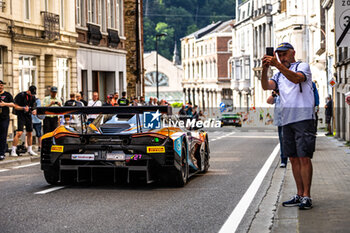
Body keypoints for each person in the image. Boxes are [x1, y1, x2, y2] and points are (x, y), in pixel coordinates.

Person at [262, 42, 316, 210]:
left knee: (304, 157)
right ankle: (299, 194)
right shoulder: (278, 75)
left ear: (293, 52)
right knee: (292, 158)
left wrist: (277, 65)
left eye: (284, 53)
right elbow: (266, 86)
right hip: (287, 120)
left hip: (304, 118)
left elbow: (296, 78)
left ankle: (307, 196)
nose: (281, 57)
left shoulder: (302, 66)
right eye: (279, 54)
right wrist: (264, 69)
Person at [12, 85, 38, 156]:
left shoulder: (33, 97)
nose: (32, 95)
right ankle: (13, 150)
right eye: (31, 93)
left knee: (30, 132)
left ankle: (30, 149)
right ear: (28, 91)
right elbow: (15, 106)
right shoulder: (21, 95)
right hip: (21, 115)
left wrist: (34, 110)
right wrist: (23, 108)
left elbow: (34, 106)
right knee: (19, 132)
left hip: (28, 115)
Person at [267, 90, 288, 168]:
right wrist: (274, 94)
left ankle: (292, 157)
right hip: (280, 122)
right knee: (282, 141)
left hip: (289, 120)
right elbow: (268, 101)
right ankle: (283, 160)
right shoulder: (277, 97)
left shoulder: (288, 94)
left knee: (289, 140)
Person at [0, 80, 17, 160]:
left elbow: (13, 104)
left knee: (3, 136)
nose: (0, 86)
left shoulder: (7, 94)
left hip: (4, 118)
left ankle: (2, 153)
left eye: (1, 85)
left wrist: (4, 104)